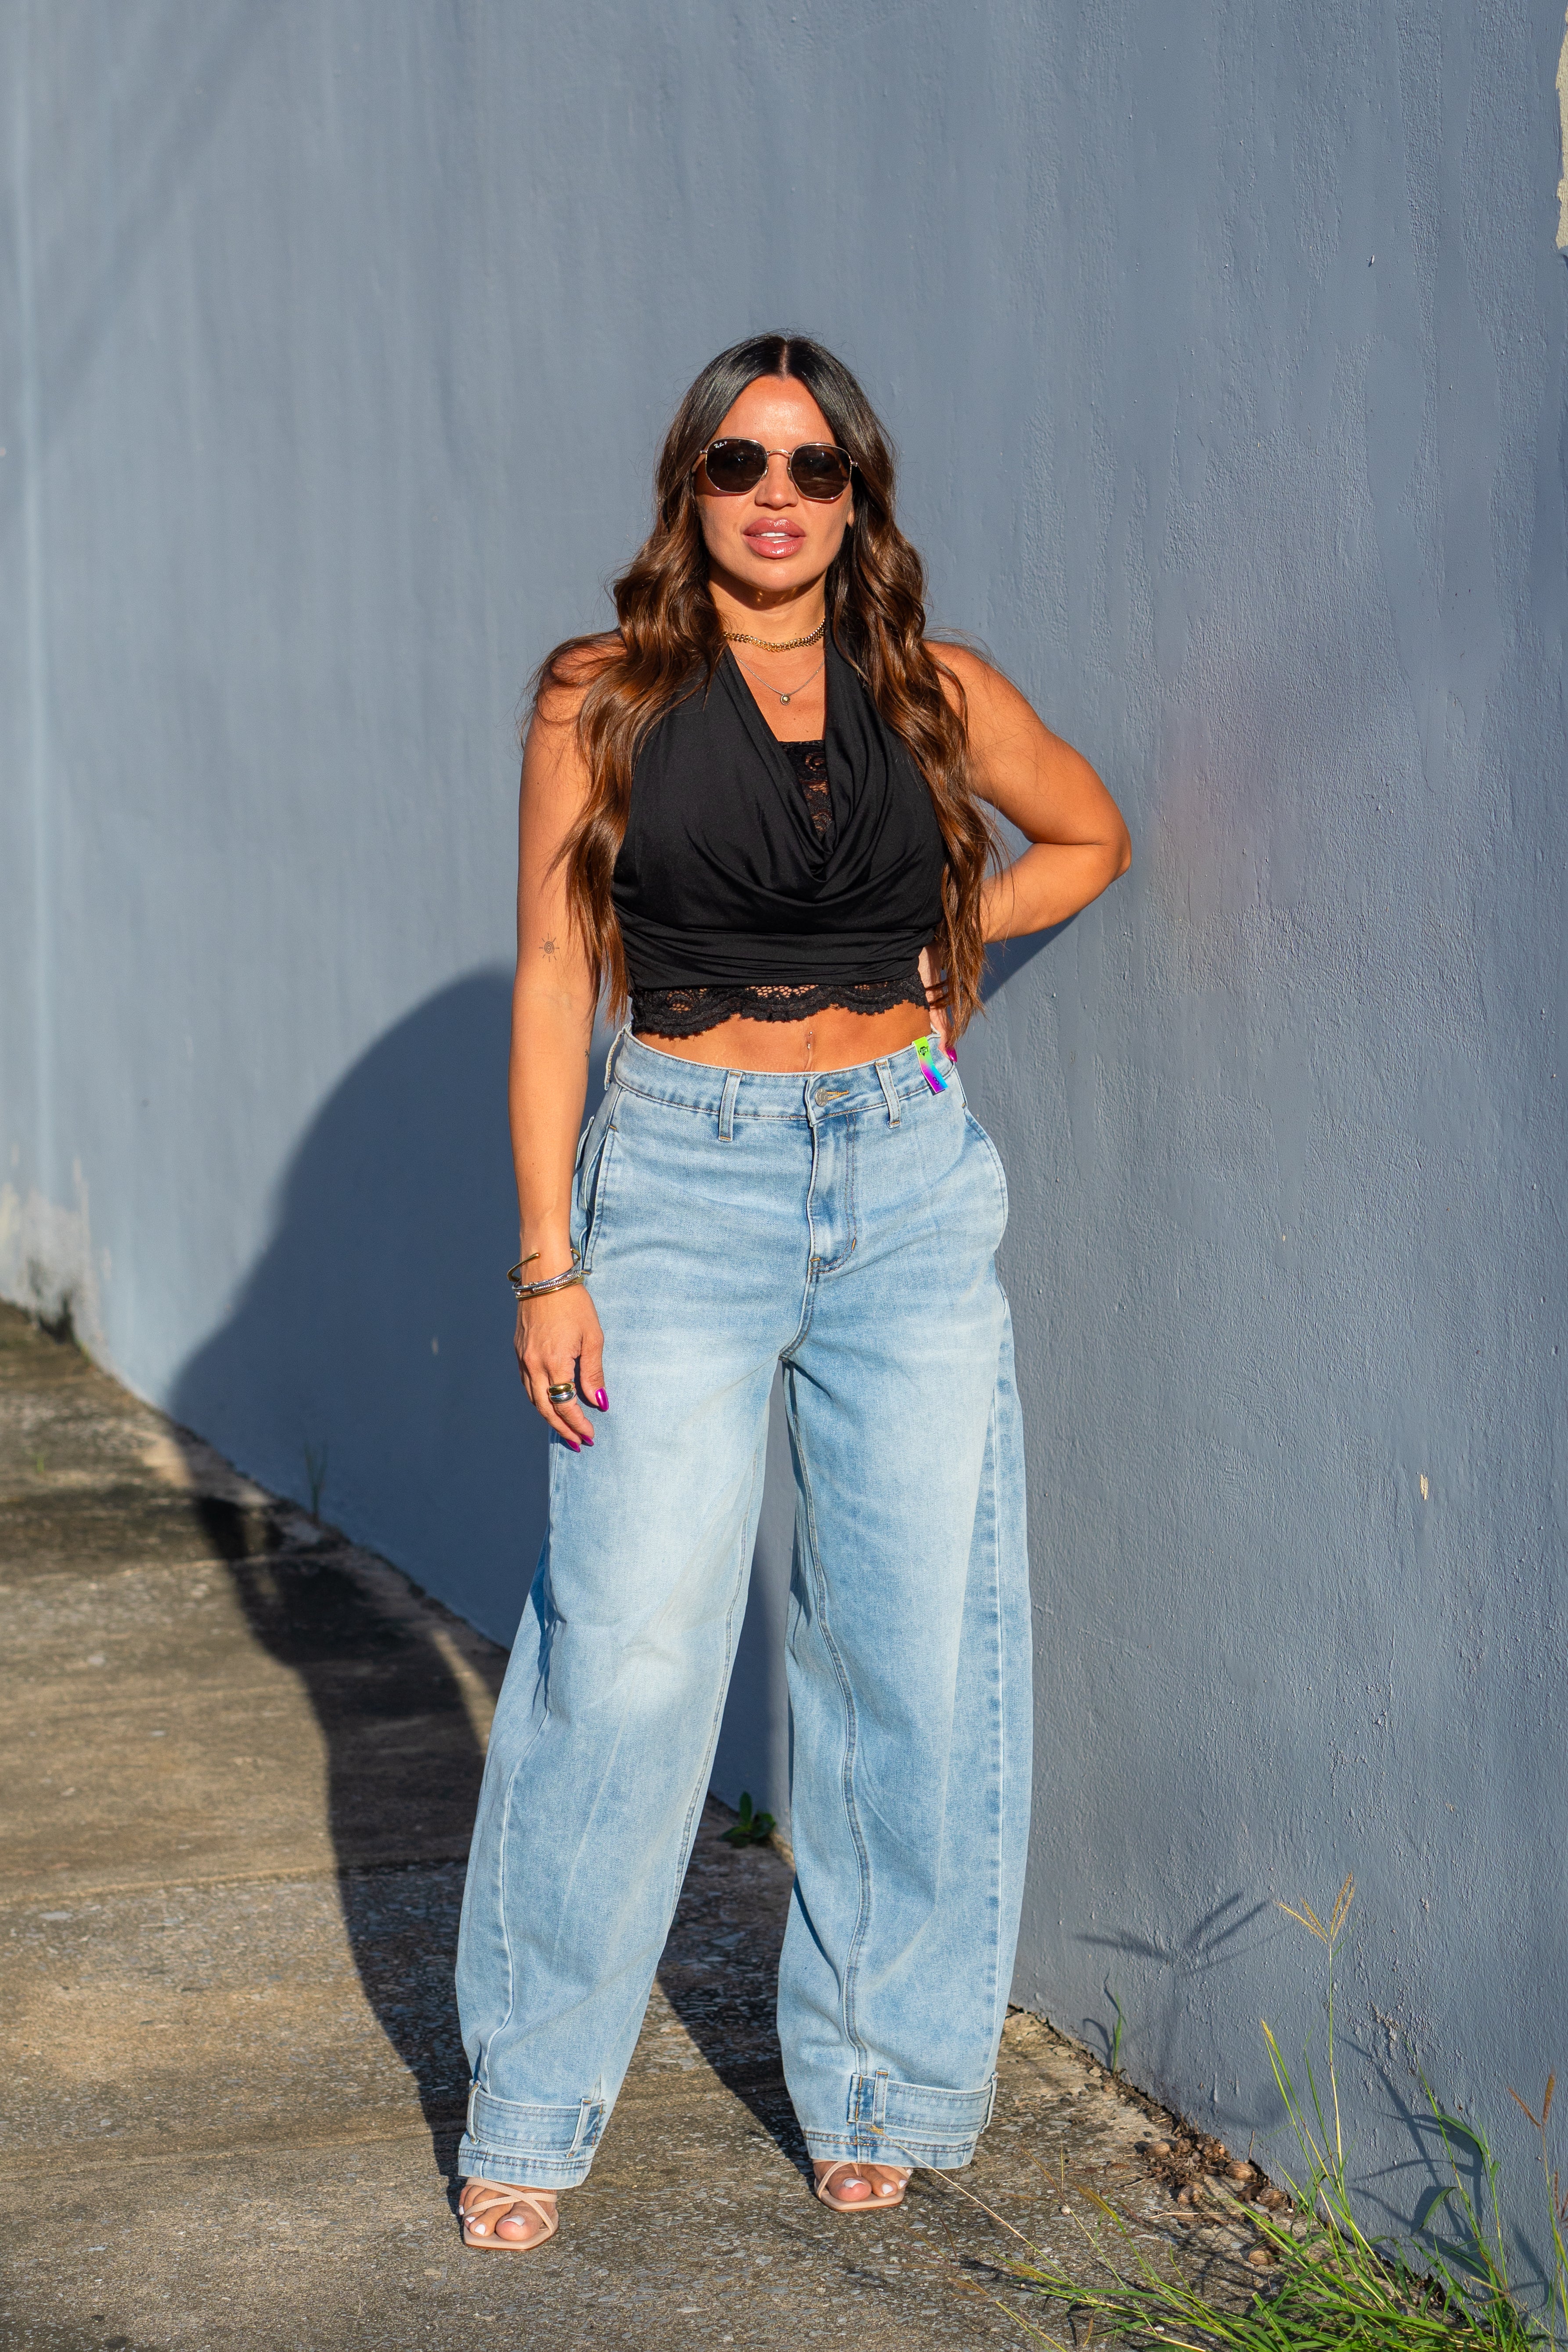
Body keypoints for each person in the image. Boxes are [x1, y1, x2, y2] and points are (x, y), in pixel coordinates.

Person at [454, 332, 1130, 2253]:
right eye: (740, 460)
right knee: (633, 1646)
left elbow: (1087, 833)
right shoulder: (601, 697)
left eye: (813, 466)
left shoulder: (931, 689)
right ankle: (533, 2090)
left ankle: (880, 2074)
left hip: (906, 1178)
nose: (776, 492)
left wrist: (941, 950)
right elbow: (549, 981)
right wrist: (544, 1257)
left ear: (858, 498)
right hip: (674, 1180)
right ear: (687, 483)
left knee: (908, 1650)